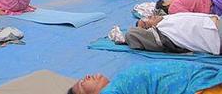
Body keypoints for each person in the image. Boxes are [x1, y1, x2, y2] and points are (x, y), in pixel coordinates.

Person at [67, 60, 222, 94]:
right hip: (197, 87)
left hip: (203, 77)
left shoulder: (118, 83)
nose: (85, 76)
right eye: (81, 84)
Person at [133, 12, 221, 55]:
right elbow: (133, 34)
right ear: (150, 29)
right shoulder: (163, 31)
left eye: (146, 17)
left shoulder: (166, 18)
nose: (149, 17)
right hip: (218, 35)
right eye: (145, 22)